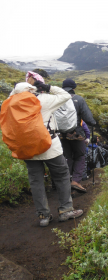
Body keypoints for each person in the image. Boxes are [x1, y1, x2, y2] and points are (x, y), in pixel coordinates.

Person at [15, 76, 83, 227]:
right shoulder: (43, 100)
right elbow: (65, 96)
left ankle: (43, 216)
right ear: (32, 90)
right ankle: (65, 210)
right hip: (49, 146)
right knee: (62, 175)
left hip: (27, 149)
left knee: (36, 181)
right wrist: (48, 88)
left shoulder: (11, 104)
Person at [60, 78, 96, 193]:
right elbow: (88, 118)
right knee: (80, 155)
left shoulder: (57, 99)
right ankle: (75, 181)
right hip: (76, 134)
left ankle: (65, 182)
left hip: (61, 134)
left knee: (67, 157)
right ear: (73, 88)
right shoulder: (78, 99)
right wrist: (93, 123)